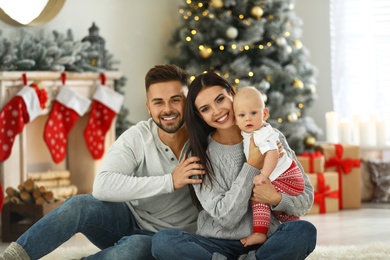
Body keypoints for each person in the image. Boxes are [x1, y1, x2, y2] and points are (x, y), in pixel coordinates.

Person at [0, 64, 205, 260]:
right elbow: (102, 186)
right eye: (158, 102)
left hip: (170, 240)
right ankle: (13, 258)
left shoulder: (205, 140)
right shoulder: (137, 137)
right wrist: (169, 181)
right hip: (128, 221)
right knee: (80, 204)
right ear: (149, 107)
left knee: (135, 249)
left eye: (176, 100)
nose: (167, 109)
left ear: (188, 102)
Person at [151, 72, 317, 260]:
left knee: (304, 231)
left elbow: (306, 200)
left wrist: (277, 198)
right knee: (164, 241)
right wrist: (252, 164)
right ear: (200, 115)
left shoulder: (270, 136)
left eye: (220, 99)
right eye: (205, 109)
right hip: (216, 244)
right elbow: (226, 219)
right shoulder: (198, 154)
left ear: (232, 94)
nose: (217, 111)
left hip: (266, 241)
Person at [233, 86, 305, 247]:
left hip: (287, 177)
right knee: (280, 210)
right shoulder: (251, 133)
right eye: (242, 115)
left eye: (253, 113)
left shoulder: (262, 134)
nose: (248, 119)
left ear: (264, 114)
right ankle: (294, 228)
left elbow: (272, 153)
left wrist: (264, 175)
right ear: (235, 119)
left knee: (259, 196)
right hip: (285, 176)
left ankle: (260, 232)